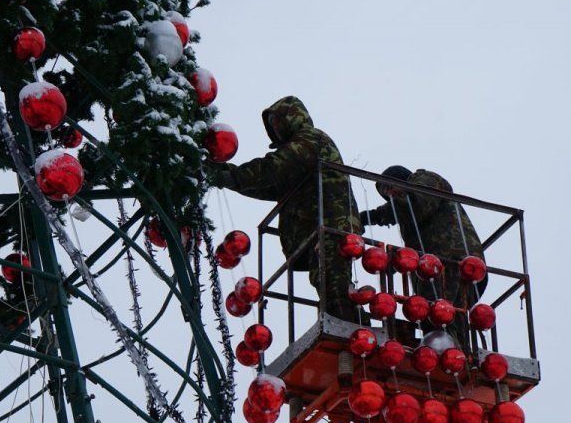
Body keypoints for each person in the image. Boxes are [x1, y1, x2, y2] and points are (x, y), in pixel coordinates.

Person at [207, 96, 362, 322]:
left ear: (291, 118)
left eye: (277, 121)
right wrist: (227, 177)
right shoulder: (298, 154)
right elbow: (271, 186)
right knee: (325, 280)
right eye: (272, 124)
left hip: (331, 224)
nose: (275, 128)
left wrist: (230, 177)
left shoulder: (310, 139)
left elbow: (273, 168)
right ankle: (343, 324)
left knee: (332, 280)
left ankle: (349, 329)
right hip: (320, 228)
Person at [360, 165, 487, 347]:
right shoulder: (408, 214)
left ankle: (447, 356)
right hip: (444, 265)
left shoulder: (425, 180)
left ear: (402, 179)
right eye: (384, 192)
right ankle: (458, 359)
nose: (389, 195)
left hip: (449, 262)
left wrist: (369, 217)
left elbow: (415, 204)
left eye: (389, 187)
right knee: (446, 319)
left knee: (436, 315)